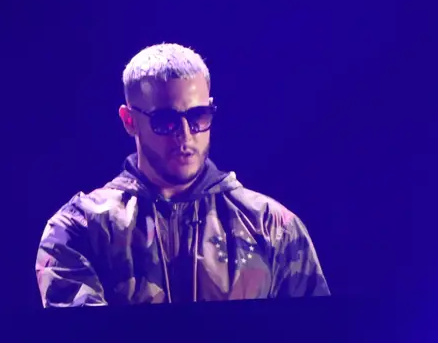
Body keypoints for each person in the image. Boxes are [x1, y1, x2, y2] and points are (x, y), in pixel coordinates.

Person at [35, 43, 330, 306]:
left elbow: (313, 342)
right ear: (129, 121)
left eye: (198, 116)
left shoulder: (271, 226)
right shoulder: (80, 229)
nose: (186, 135)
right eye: (166, 120)